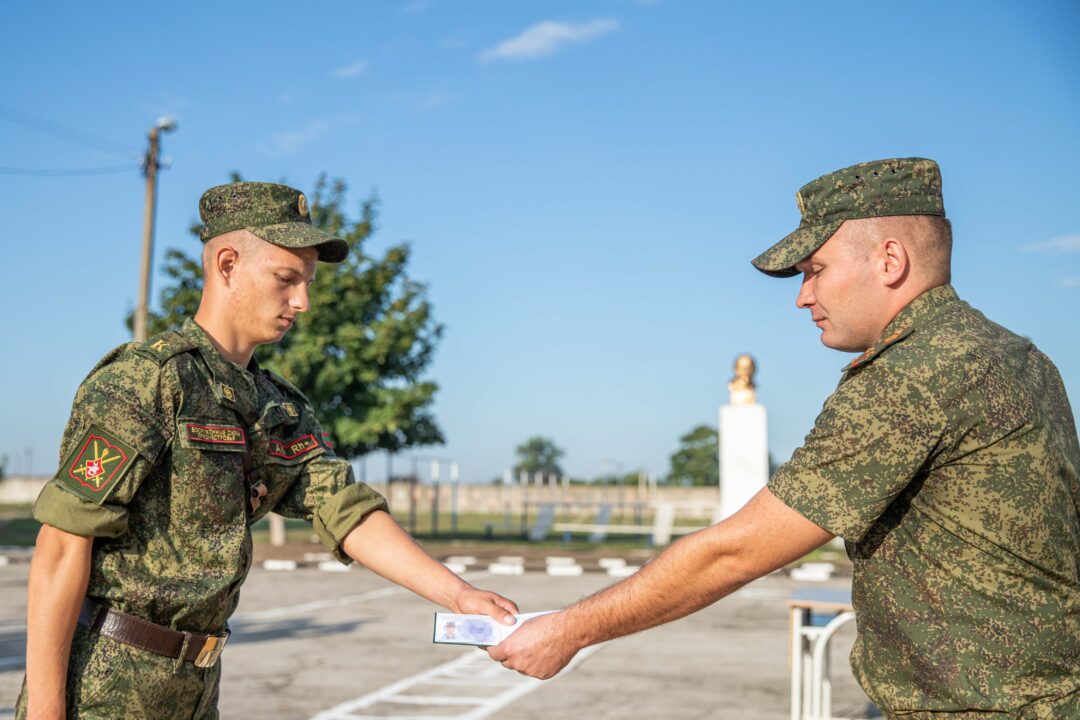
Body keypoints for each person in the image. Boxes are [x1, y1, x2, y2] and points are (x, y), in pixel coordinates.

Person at [489, 158, 1080, 717]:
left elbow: (736, 552)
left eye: (815, 271)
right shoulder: (1018, 357)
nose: (803, 297)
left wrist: (568, 630)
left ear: (890, 260)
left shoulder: (916, 373)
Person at [20, 181, 518, 719]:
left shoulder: (276, 406)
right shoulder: (149, 381)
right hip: (104, 685)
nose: (302, 302)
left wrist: (459, 596)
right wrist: (46, 712)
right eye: (286, 279)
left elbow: (344, 509)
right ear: (227, 264)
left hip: (196, 687)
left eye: (307, 283)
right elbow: (62, 545)